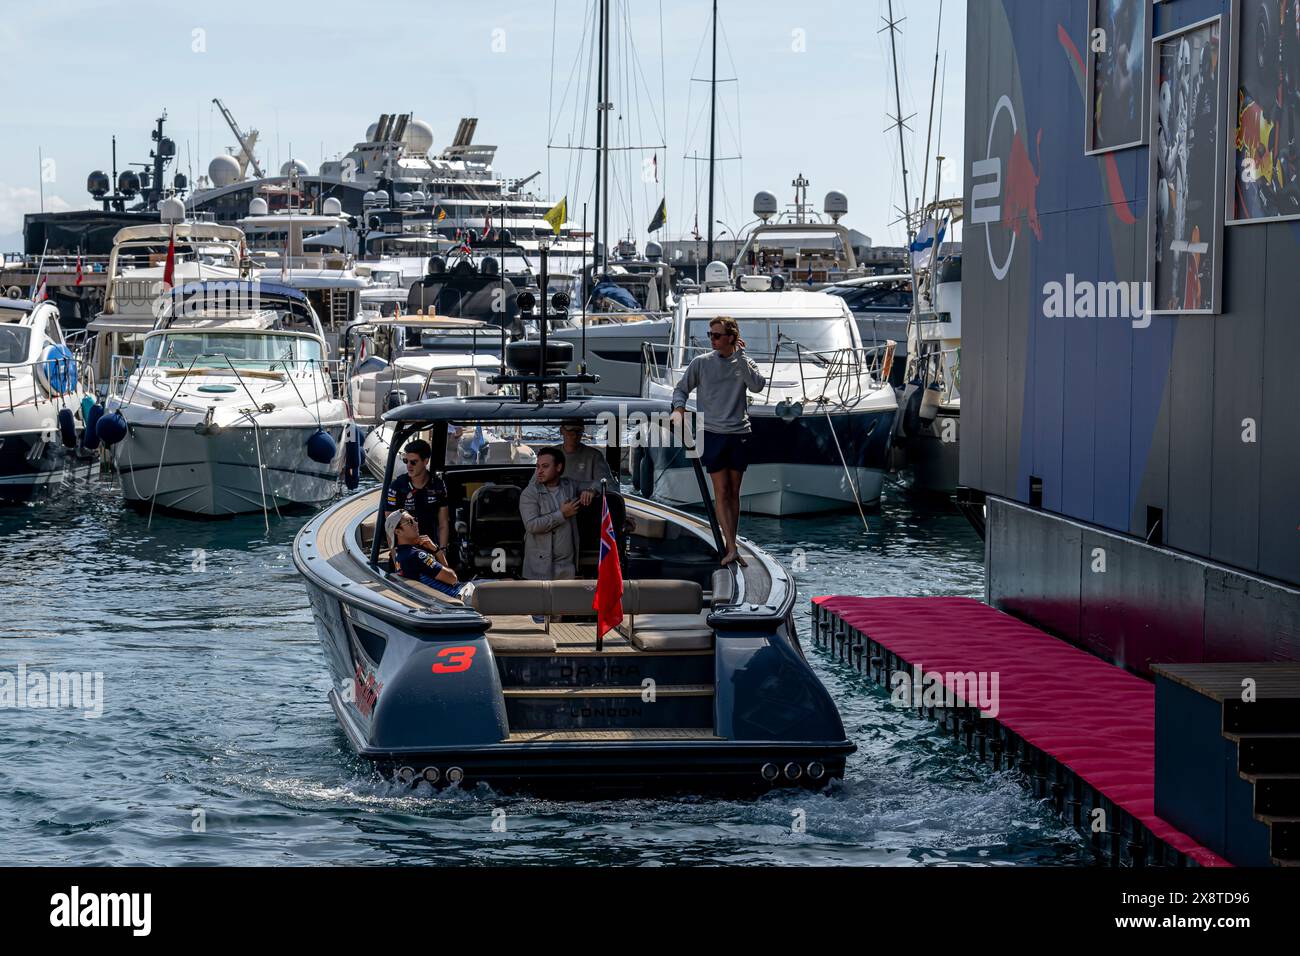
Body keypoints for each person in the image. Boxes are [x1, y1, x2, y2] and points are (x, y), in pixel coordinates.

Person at [670, 315, 766, 567]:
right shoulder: (701, 363)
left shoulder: (744, 362)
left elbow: (757, 386)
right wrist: (679, 409)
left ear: (731, 337)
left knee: (734, 492)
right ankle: (731, 546)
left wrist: (742, 356)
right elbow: (681, 389)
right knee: (721, 491)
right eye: (710, 334)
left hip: (739, 433)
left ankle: (731, 543)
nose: (711, 339)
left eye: (716, 335)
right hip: (711, 433)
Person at [518, 446, 587, 581]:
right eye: (538, 467)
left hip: (567, 568)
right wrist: (562, 515)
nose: (539, 471)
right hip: (539, 570)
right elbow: (532, 525)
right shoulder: (530, 493)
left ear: (558, 467)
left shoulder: (569, 486)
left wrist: (591, 491)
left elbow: (598, 483)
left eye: (545, 466)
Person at [386, 439, 451, 559]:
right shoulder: (397, 486)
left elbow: (443, 523)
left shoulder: (438, 485)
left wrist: (442, 550)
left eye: (413, 462)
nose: (408, 466)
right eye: (406, 461)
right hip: (405, 551)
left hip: (431, 547)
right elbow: (390, 526)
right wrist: (395, 556)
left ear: (425, 461)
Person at [385, 509, 463, 598]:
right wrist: (437, 551)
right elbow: (452, 578)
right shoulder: (417, 555)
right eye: (410, 522)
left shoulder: (399, 556)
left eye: (415, 520)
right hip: (459, 596)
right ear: (398, 532)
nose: (416, 524)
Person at [559, 418, 614, 488]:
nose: (575, 435)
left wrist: (594, 490)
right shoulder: (550, 454)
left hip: (586, 498)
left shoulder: (594, 456)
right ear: (561, 430)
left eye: (578, 431)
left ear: (582, 430)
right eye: (570, 430)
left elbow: (607, 482)